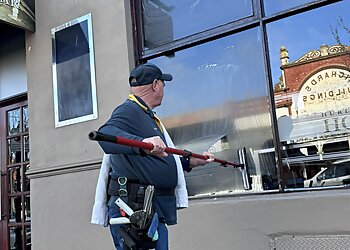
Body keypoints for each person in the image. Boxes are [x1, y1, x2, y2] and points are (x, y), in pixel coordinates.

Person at [95, 63, 214, 250]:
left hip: (150, 207)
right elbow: (105, 134)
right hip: (134, 207)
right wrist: (142, 143)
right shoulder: (129, 110)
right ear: (156, 85)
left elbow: (160, 156)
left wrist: (191, 161)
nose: (164, 89)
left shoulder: (146, 115)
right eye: (163, 85)